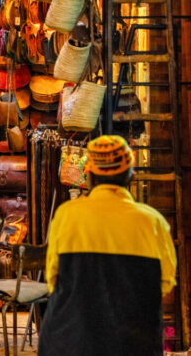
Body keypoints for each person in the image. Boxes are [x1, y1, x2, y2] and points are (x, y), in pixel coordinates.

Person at [39, 135, 176, 356]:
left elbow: (53, 278)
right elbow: (166, 282)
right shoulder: (153, 223)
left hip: (69, 340)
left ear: (90, 174)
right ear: (130, 174)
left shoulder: (67, 216)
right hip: (134, 343)